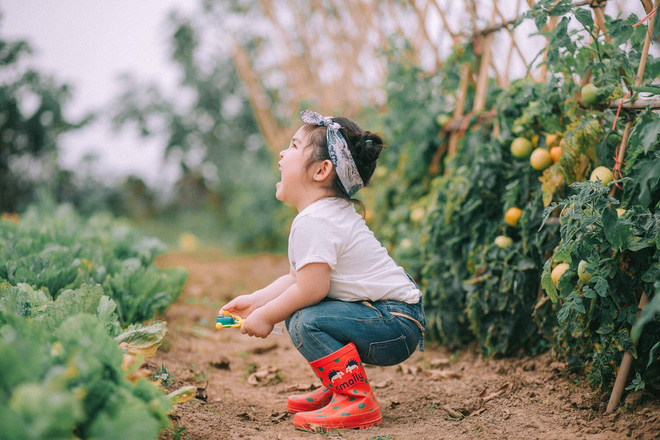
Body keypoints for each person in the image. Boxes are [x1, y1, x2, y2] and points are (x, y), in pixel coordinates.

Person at [220, 110, 425, 431]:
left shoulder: (317, 221)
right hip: (394, 318)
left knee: (304, 319)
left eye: (293, 145)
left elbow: (310, 290)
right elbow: (294, 279)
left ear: (321, 170)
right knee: (303, 313)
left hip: (395, 325)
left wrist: (267, 316)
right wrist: (256, 301)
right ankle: (339, 385)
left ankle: (355, 398)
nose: (282, 153)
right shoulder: (322, 216)